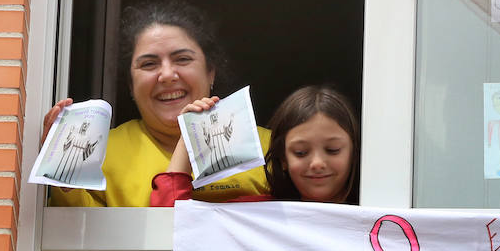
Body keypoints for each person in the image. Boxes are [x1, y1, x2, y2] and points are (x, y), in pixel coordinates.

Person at [44, 0, 270, 207]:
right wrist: (61, 172)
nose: (167, 75)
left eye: (182, 59)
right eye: (149, 64)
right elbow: (77, 238)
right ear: (131, 85)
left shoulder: (268, 146)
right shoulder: (96, 153)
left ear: (211, 72)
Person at [150, 84, 360, 206]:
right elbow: (170, 223)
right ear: (283, 159)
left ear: (355, 153)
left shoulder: (382, 219)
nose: (317, 163)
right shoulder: (259, 216)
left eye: (332, 150)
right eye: (301, 152)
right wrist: (189, 135)